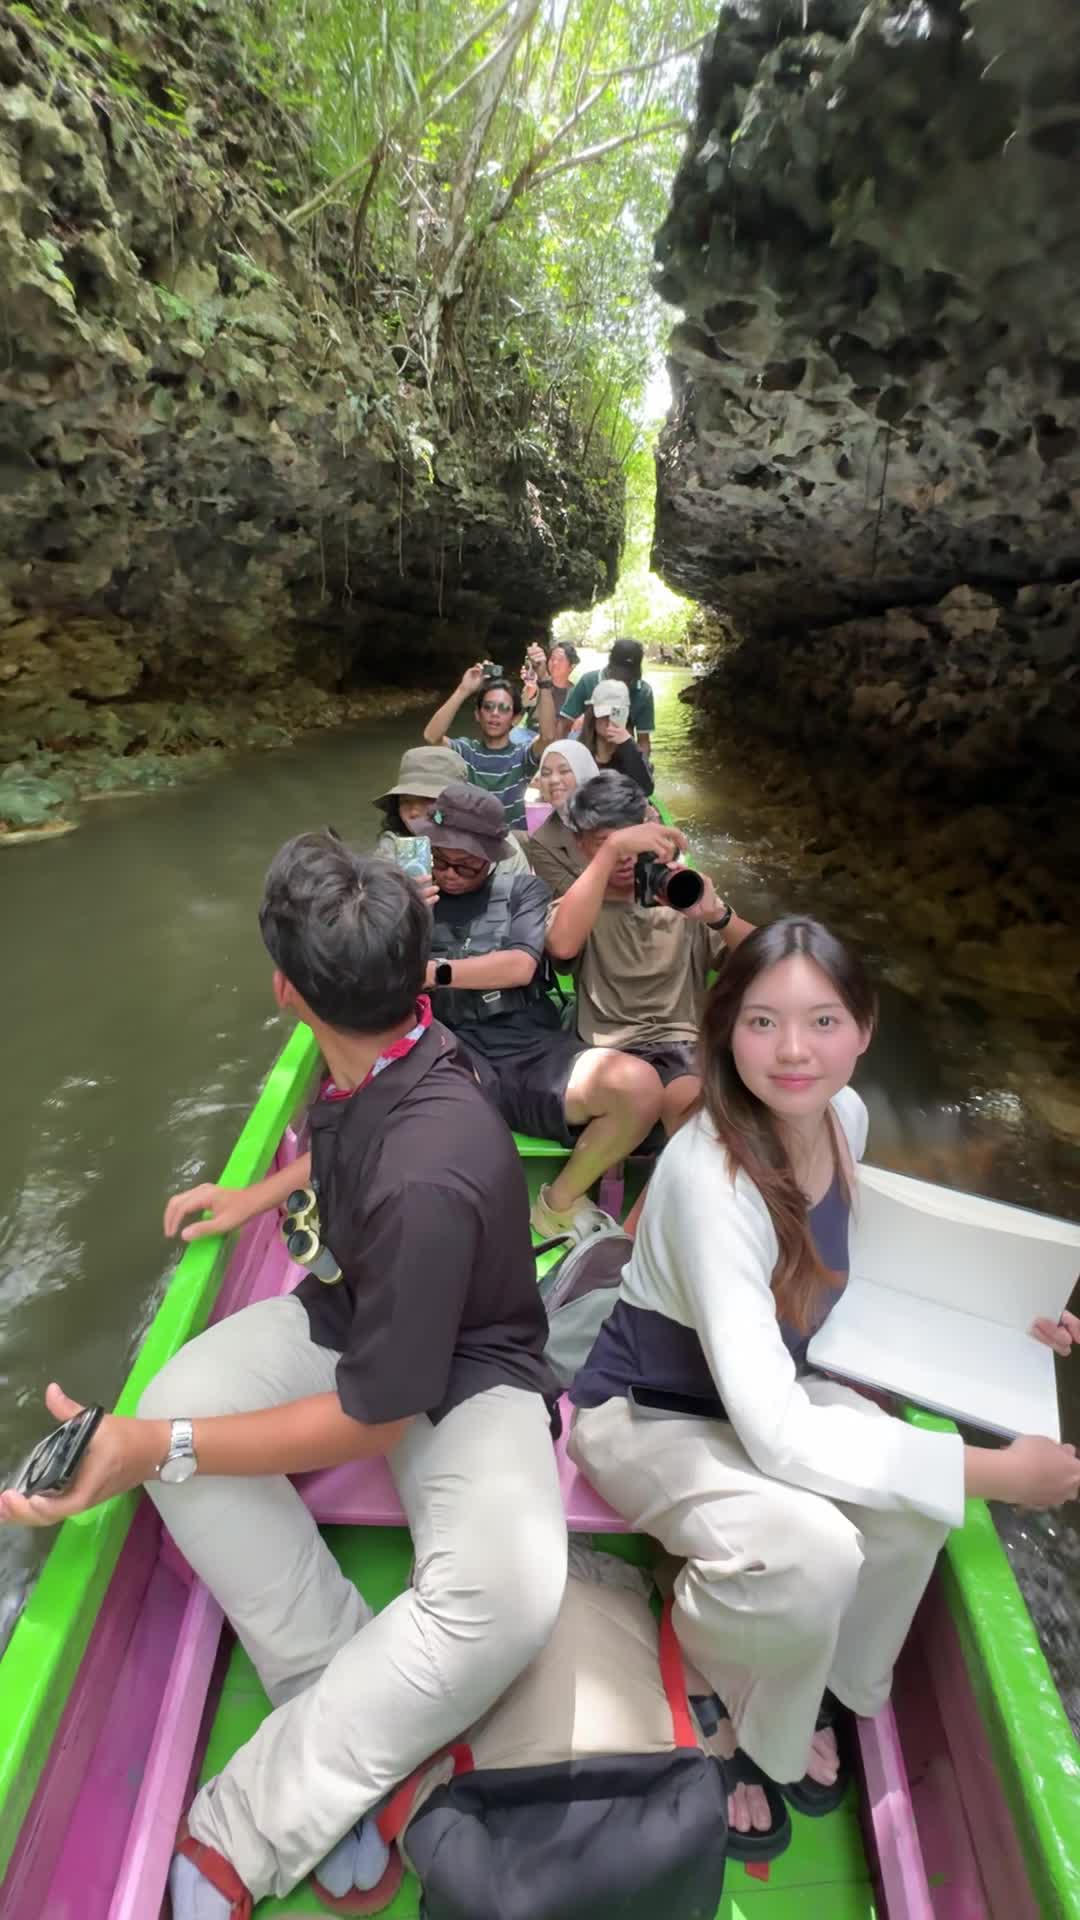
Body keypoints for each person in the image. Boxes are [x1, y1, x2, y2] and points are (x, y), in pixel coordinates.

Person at [1, 836, 569, 1917]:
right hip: (363, 1309)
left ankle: (252, 1820)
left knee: (509, 1597)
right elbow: (348, 1120)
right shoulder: (393, 1041)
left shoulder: (427, 1175)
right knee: (172, 1400)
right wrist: (253, 1198)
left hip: (466, 1366)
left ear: (285, 990)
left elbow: (374, 1416)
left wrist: (147, 1451)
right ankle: (340, 1694)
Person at [566, 917, 1080, 1854]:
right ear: (723, 1032)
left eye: (823, 1021)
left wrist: (1011, 1318)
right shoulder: (710, 1179)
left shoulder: (842, 1119)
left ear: (865, 1028)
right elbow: (778, 1439)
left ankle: (823, 1689)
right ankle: (723, 1686)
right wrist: (996, 1472)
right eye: (761, 1022)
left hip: (770, 1387)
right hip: (649, 1411)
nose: (794, 1051)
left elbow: (850, 1258)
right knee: (818, 1553)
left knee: (916, 1513)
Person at [418, 782, 667, 1243]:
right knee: (433, 1102)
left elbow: (519, 966)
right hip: (446, 1047)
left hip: (530, 1048)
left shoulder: (524, 892)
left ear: (491, 857)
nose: (450, 873)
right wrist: (404, 909)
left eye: (466, 864)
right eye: (440, 860)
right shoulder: (403, 896)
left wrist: (434, 971)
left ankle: (557, 1204)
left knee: (639, 1088)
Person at [545, 772, 755, 1134]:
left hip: (679, 1046)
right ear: (580, 844)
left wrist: (718, 916)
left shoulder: (685, 898)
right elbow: (562, 945)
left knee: (690, 1099)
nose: (625, 856)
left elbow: (771, 957)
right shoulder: (577, 908)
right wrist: (614, 850)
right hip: (606, 1049)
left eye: (632, 840)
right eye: (605, 842)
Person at [424, 662, 556, 831]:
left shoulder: (522, 755)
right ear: (478, 715)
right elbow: (431, 737)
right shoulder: (466, 751)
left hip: (511, 841)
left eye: (503, 708)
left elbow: (548, 736)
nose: (494, 713)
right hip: (473, 841)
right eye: (488, 707)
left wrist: (544, 680)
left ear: (515, 718)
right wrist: (463, 690)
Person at [374, 743, 530, 874]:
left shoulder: (497, 844)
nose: (414, 812)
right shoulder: (394, 848)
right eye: (405, 801)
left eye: (428, 800)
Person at [559, 638, 655, 758]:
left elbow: (643, 740)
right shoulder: (588, 681)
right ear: (610, 668)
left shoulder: (643, 692)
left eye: (628, 679)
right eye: (618, 676)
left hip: (622, 751)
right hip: (588, 746)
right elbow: (564, 724)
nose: (622, 683)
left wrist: (642, 767)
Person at [526, 740, 599, 897]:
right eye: (545, 774)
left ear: (583, 772)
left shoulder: (619, 811)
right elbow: (573, 898)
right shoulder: (542, 842)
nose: (553, 780)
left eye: (564, 771)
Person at [580, 680, 654, 795]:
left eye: (615, 713)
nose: (609, 719)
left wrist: (627, 743)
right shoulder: (580, 751)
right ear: (593, 716)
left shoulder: (633, 753)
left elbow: (646, 789)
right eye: (604, 714)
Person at [521, 639, 579, 726]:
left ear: (571, 667)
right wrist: (531, 686)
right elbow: (525, 702)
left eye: (560, 660)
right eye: (552, 658)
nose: (555, 662)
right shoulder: (539, 682)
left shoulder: (576, 693)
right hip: (533, 733)